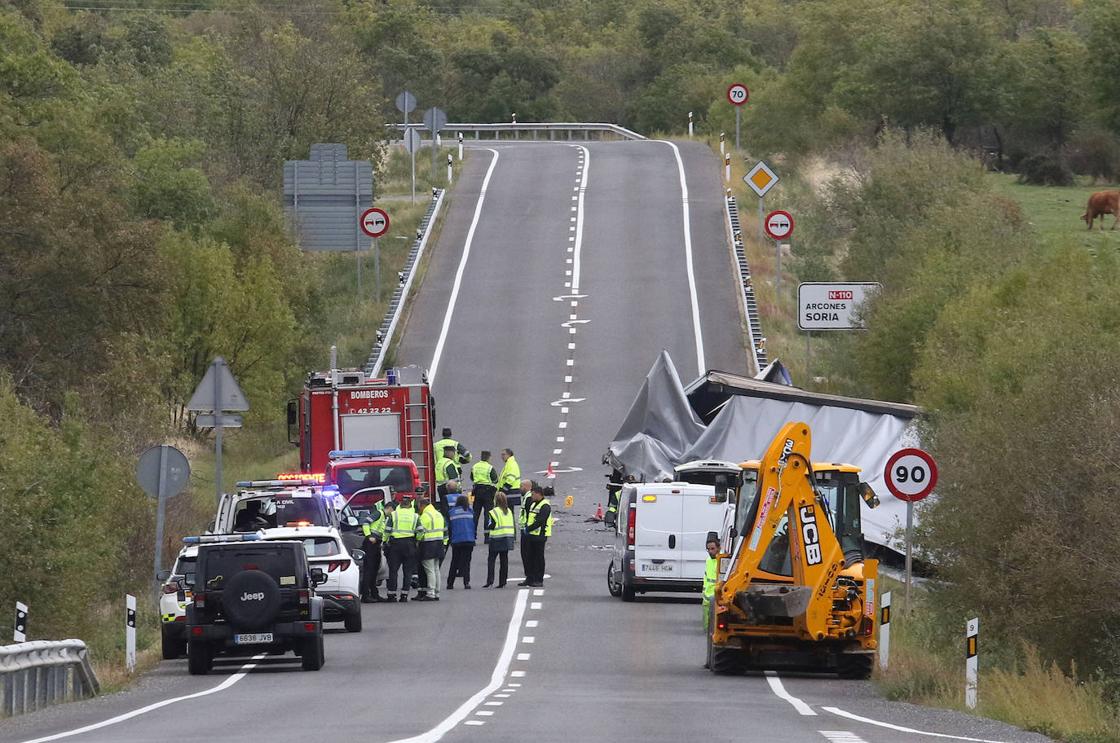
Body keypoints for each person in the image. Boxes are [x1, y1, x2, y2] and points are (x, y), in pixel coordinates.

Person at [384, 497, 418, 603]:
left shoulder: (394, 514)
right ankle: (404, 595)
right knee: (408, 571)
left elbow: (387, 530)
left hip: (396, 545)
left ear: (400, 505)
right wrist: (417, 541)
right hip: (410, 544)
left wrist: (385, 541)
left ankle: (391, 595)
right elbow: (421, 531)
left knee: (393, 571)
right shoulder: (415, 516)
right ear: (410, 506)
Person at [519, 483, 552, 587]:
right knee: (529, 557)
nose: (532, 496)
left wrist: (528, 529)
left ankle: (539, 579)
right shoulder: (534, 504)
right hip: (531, 535)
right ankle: (530, 578)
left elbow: (540, 521)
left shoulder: (545, 505)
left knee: (538, 558)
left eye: (533, 494)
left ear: (539, 494)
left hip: (540, 535)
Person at [415, 497, 446, 601]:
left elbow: (420, 531)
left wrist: (417, 540)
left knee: (429, 570)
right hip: (439, 543)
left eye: (419, 507)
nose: (419, 509)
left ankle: (431, 592)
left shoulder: (425, 516)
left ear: (422, 505)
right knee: (436, 569)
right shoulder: (438, 514)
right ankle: (437, 592)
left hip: (428, 545)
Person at [485, 492, 515, 588]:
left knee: (491, 560)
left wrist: (488, 525)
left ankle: (490, 580)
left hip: (496, 538)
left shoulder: (493, 511)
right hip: (507, 538)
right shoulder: (508, 511)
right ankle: (503, 581)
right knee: (504, 560)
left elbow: (491, 525)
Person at [360, 501, 387, 602]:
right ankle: (366, 596)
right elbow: (366, 522)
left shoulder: (384, 517)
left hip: (376, 544)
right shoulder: (379, 513)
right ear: (389, 508)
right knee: (369, 570)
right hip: (370, 543)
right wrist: (369, 536)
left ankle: (374, 594)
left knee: (374, 570)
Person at [447, 495, 475, 589]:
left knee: (454, 562)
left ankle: (450, 583)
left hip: (457, 540)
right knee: (466, 562)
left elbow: (449, 527)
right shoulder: (470, 511)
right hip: (469, 539)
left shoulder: (452, 512)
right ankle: (466, 583)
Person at [470, 451, 499, 540]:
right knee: (488, 514)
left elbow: (471, 478)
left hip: (476, 491)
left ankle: (472, 534)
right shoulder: (490, 467)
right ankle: (487, 536)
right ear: (489, 457)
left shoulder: (475, 466)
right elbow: (495, 480)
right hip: (487, 492)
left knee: (475, 514)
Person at [497, 448, 521, 534]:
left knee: (509, 514)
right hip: (510, 493)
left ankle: (511, 533)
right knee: (508, 513)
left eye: (504, 454)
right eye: (501, 455)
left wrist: (502, 491)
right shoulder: (509, 464)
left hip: (510, 493)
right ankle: (510, 533)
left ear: (509, 455)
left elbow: (510, 479)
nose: (502, 457)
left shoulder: (511, 464)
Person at [435, 445, 460, 520]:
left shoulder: (440, 462)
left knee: (444, 509)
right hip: (449, 489)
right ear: (449, 453)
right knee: (452, 510)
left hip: (440, 488)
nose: (454, 455)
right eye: (453, 453)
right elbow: (454, 478)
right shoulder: (449, 463)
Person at [702, 535, 720, 631]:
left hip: (717, 596)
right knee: (706, 624)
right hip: (707, 598)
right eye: (708, 549)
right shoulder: (708, 560)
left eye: (712, 548)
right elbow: (706, 578)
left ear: (718, 548)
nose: (710, 551)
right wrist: (704, 592)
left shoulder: (722, 561)